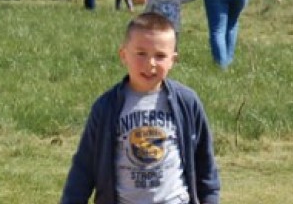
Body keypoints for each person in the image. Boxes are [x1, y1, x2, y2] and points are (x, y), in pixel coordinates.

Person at [60, 12, 221, 204]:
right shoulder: (106, 107)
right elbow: (83, 168)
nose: (150, 64)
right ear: (124, 55)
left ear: (173, 60)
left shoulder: (186, 102)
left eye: (160, 56)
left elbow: (205, 164)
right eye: (141, 53)